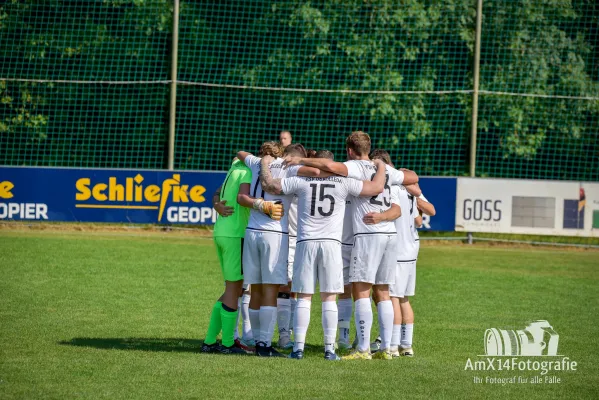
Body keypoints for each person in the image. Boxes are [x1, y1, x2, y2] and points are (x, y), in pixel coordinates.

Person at [283, 131, 418, 360]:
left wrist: (301, 160)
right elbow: (413, 178)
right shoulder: (384, 169)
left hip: (367, 233)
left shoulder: (353, 168)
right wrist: (384, 169)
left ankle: (362, 348)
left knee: (360, 290)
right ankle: (388, 348)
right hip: (390, 235)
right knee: (384, 291)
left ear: (349, 151)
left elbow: (330, 167)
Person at [260, 150, 388, 360]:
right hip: (331, 245)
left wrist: (265, 163)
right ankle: (330, 349)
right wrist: (381, 166)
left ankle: (297, 349)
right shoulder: (343, 182)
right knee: (329, 298)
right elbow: (376, 187)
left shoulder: (300, 181)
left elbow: (269, 185)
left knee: (304, 298)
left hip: (305, 243)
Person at [236, 142, 320, 357]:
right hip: (274, 234)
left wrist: (261, 159)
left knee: (254, 289)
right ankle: (265, 344)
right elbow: (316, 171)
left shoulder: (256, 163)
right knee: (271, 290)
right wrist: (299, 162)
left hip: (252, 231)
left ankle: (254, 340)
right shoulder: (288, 167)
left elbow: (241, 152)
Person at [201, 157, 257, 355]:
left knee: (230, 289)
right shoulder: (250, 171)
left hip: (221, 231)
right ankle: (227, 344)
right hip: (236, 234)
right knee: (234, 289)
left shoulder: (234, 166)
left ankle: (209, 341)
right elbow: (243, 197)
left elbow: (217, 192)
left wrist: (216, 204)